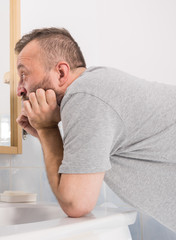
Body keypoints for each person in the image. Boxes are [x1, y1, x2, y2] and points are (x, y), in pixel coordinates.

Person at [15, 27, 176, 231]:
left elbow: (77, 203)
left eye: (23, 75)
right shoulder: (94, 90)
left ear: (61, 73)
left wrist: (48, 129)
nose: (19, 89)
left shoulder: (85, 94)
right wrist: (45, 132)